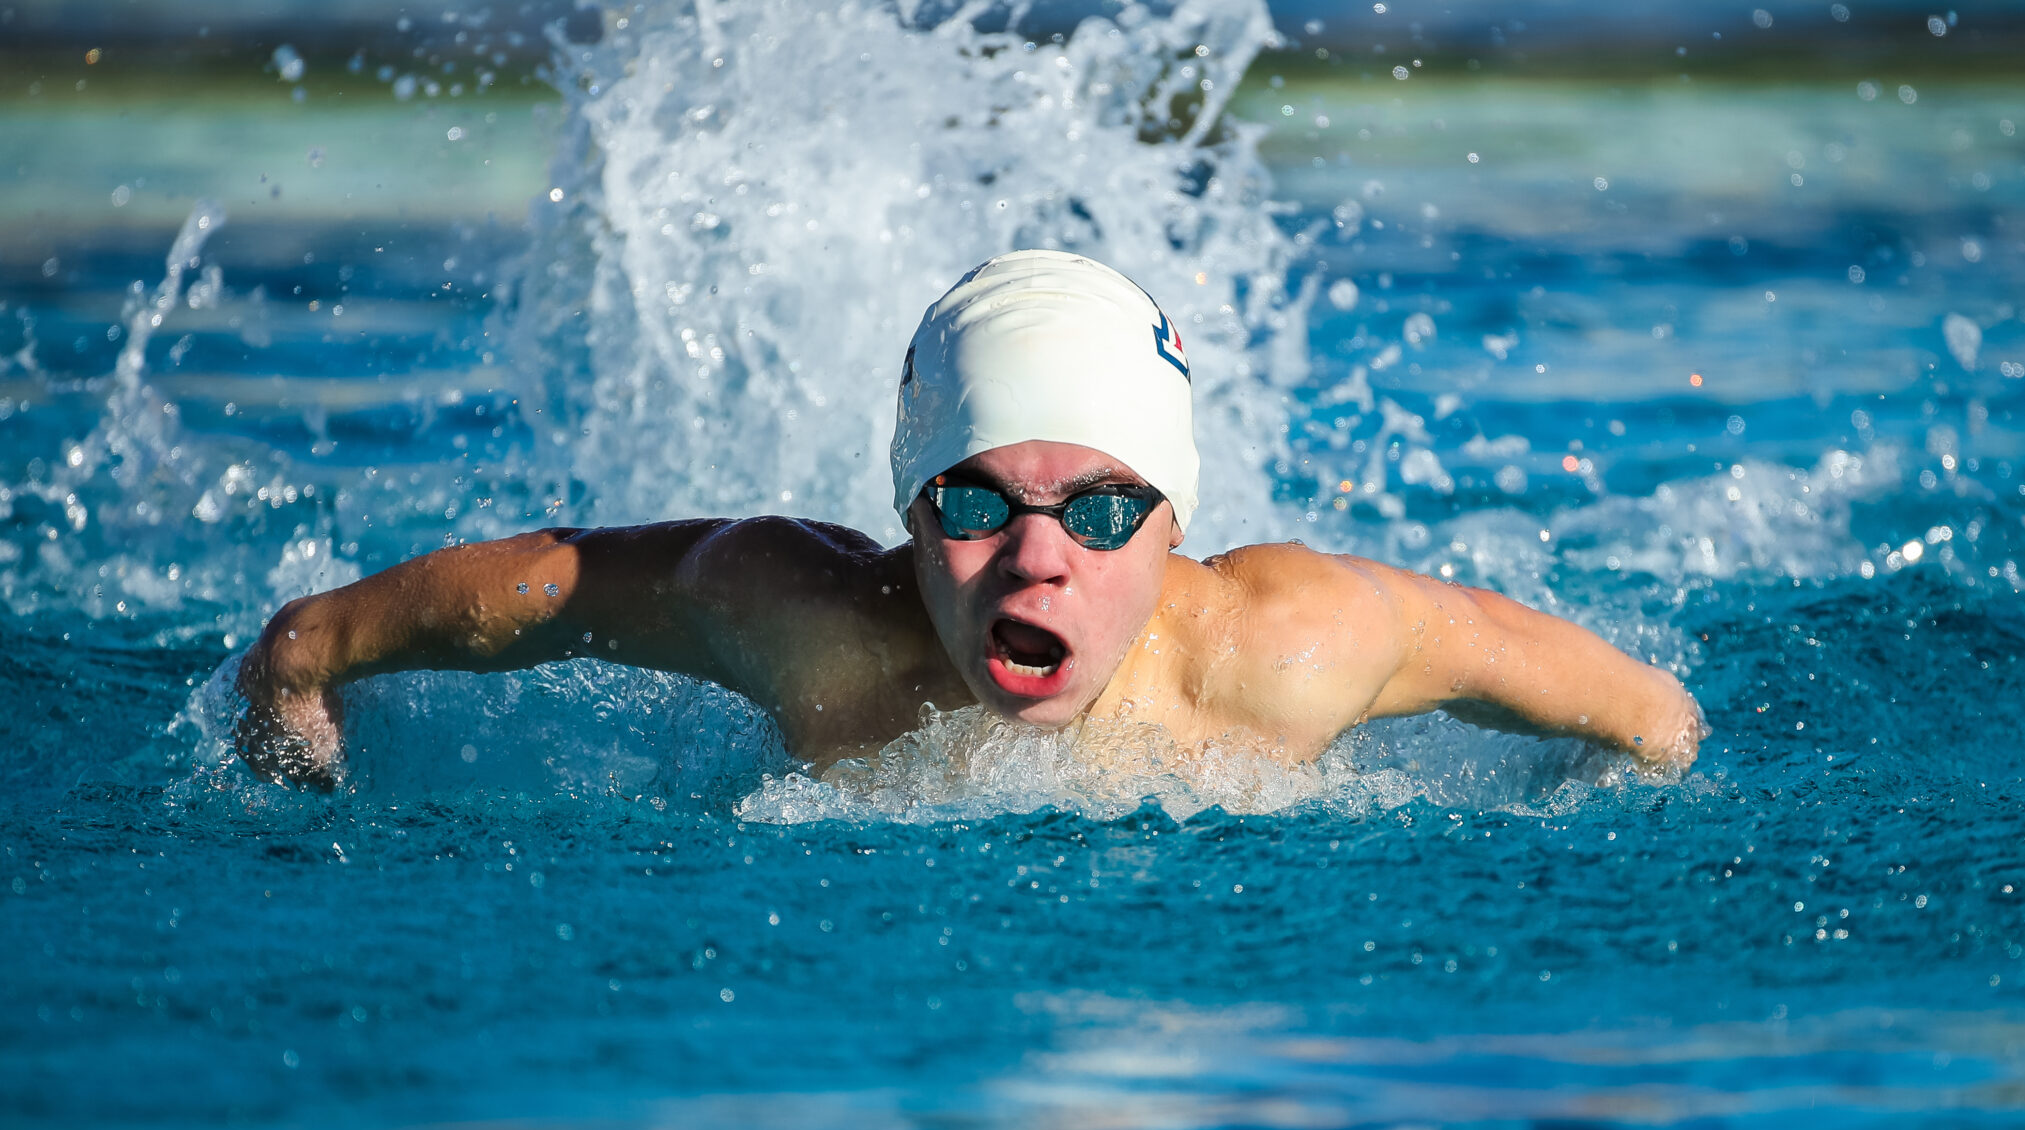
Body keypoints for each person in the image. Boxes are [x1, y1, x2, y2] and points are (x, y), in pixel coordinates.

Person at [236, 250, 1701, 789]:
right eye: (980, 500)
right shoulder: (796, 620)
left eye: (1107, 508)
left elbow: (1650, 716)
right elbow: (550, 587)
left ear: (1177, 524)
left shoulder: (1293, 650)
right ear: (909, 506)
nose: (1042, 556)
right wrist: (303, 659)